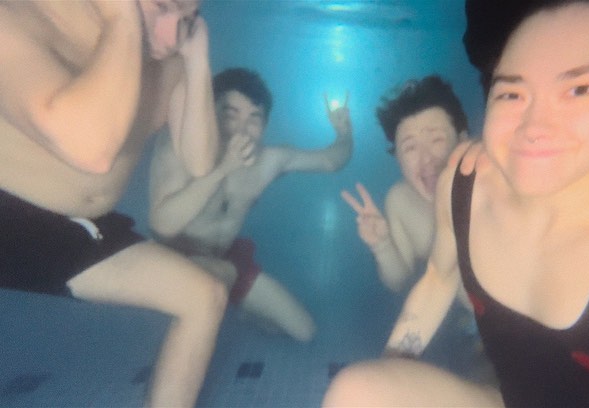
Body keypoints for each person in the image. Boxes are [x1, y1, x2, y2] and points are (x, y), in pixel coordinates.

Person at [323, 0, 589, 406]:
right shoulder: (464, 185)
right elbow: (438, 279)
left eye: (581, 89)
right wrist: (393, 370)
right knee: (359, 392)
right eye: (512, 94)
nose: (534, 127)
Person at [0, 1, 227, 407]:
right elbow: (91, 150)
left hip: (77, 229)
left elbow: (199, 162)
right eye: (161, 7)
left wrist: (197, 60)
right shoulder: (20, 18)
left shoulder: (168, 56)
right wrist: (121, 16)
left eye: (188, 16)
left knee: (203, 297)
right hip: (7, 214)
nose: (172, 33)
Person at [149, 67, 353, 342]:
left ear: (265, 126)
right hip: (170, 264)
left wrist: (344, 132)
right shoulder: (178, 148)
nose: (241, 130)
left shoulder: (268, 161)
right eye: (230, 114)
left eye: (254, 119)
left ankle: (242, 311)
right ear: (209, 113)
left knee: (304, 331)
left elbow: (331, 161)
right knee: (209, 285)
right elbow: (161, 223)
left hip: (224, 263)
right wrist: (222, 169)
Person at [341, 75, 469, 293]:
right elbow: (399, 282)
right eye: (410, 148)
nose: (426, 159)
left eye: (437, 140)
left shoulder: (494, 183)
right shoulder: (401, 202)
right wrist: (381, 245)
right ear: (397, 159)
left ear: (463, 139)